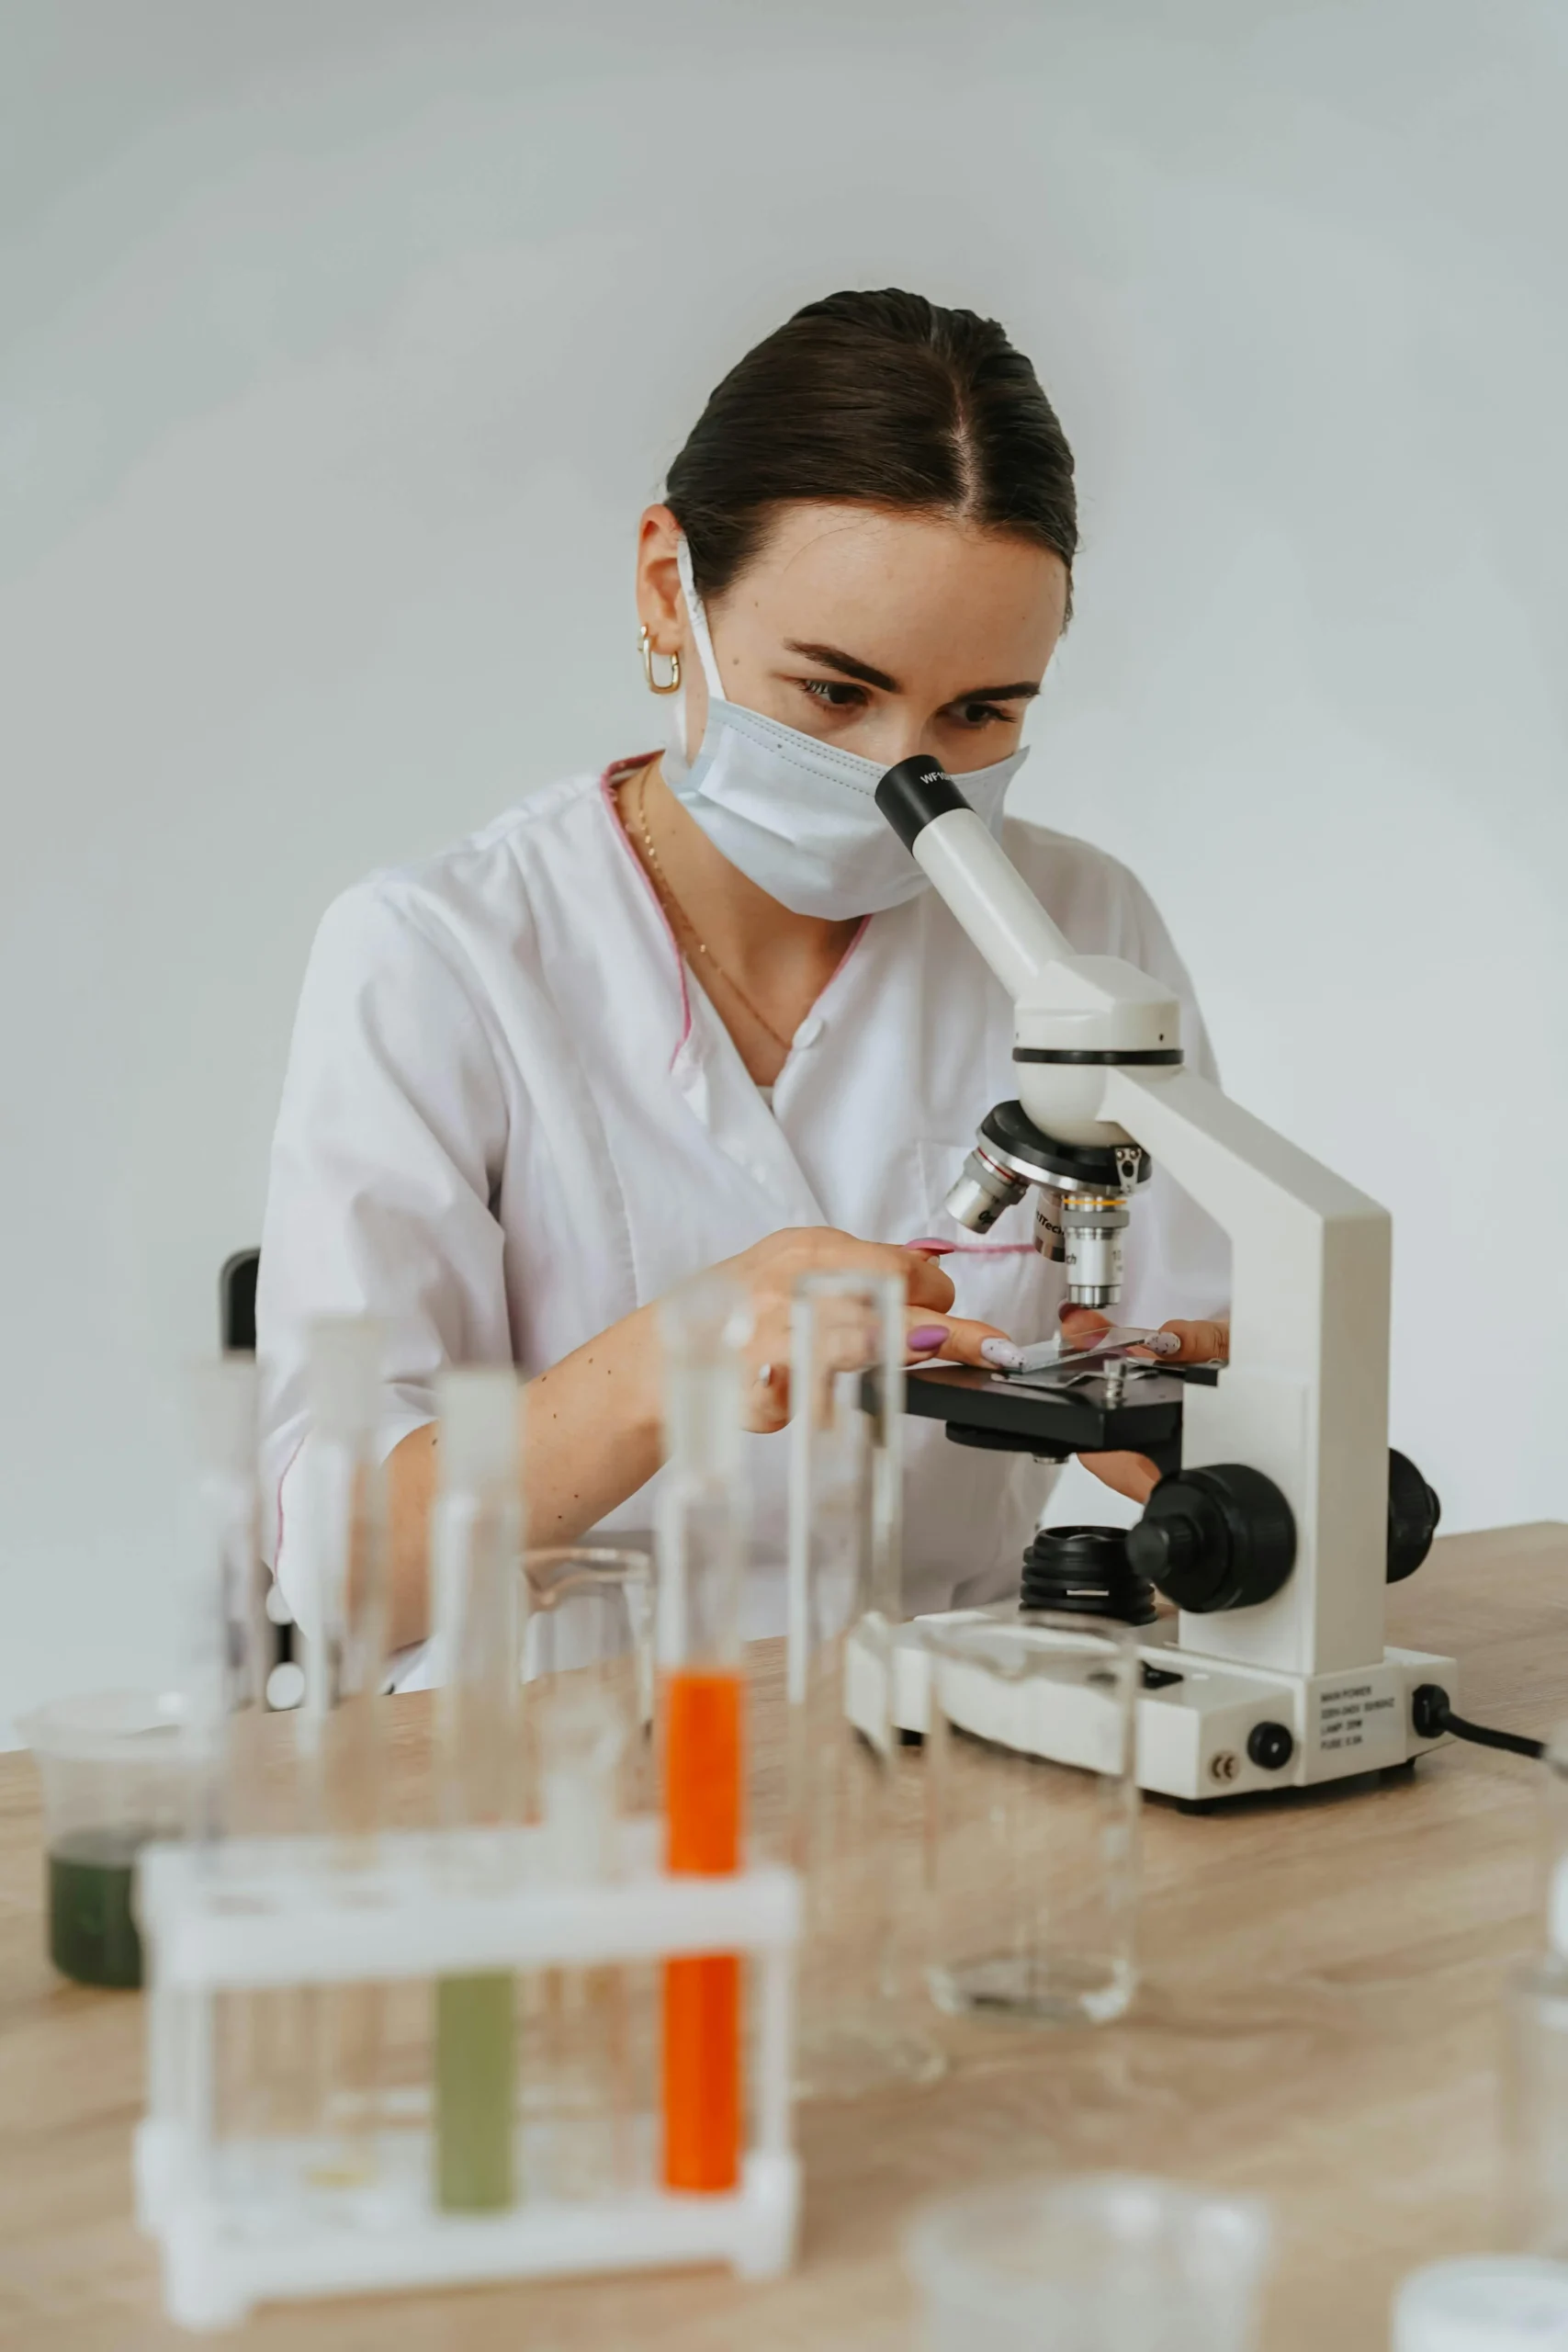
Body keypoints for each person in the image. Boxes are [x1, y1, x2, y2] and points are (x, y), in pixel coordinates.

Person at [256, 287, 1228, 1674]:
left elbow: (1190, 1376)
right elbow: (345, 1577)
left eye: (979, 713)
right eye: (834, 693)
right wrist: (676, 1359)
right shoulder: (437, 953)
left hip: (952, 1726)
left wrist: (1215, 1423)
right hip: (559, 1744)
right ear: (670, 589)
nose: (904, 777)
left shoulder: (1076, 930)